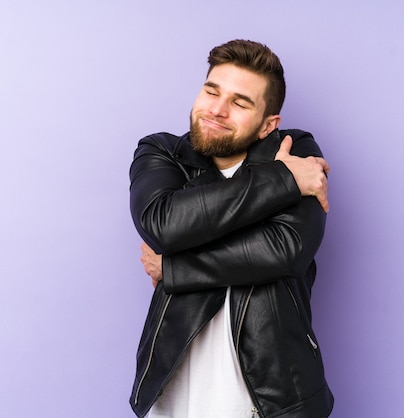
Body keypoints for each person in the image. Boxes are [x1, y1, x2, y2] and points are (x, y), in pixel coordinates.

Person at [129, 39, 334, 418]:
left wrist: (175, 268)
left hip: (276, 398)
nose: (217, 110)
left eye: (240, 103)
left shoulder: (296, 148)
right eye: (211, 91)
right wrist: (284, 180)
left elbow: (284, 249)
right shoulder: (162, 152)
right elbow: (164, 223)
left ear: (267, 125)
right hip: (175, 395)